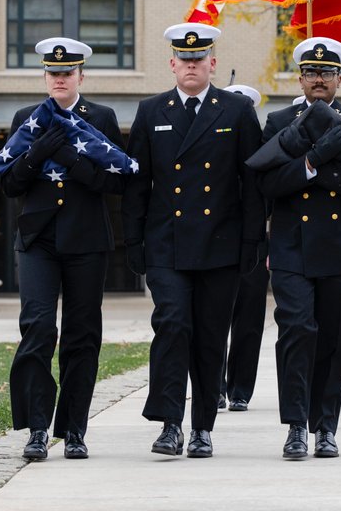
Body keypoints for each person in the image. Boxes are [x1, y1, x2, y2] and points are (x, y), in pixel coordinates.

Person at [122, 24, 266, 458]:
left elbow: (252, 184)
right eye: (183, 60)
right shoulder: (151, 111)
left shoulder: (237, 111)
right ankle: (169, 423)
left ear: (212, 64)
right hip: (167, 243)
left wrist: (252, 244)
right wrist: (133, 241)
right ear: (172, 65)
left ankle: (202, 426)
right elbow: (138, 182)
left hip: (220, 245)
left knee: (208, 335)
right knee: (171, 325)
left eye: (199, 59)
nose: (191, 65)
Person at [1, 37, 126, 461]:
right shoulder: (26, 118)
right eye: (53, 73)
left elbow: (114, 184)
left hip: (87, 240)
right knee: (36, 329)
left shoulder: (102, 118)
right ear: (45, 76)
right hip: (38, 240)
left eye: (67, 73)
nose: (60, 79)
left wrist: (72, 157)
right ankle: (37, 428)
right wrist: (38, 152)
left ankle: (74, 429)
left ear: (80, 76)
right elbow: (10, 185)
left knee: (81, 336)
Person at [255, 37, 341, 460]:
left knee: (336, 339)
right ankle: (294, 427)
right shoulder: (279, 122)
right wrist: (312, 164)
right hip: (292, 247)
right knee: (296, 331)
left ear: (339, 79)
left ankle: (325, 425)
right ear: (301, 79)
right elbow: (267, 185)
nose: (319, 79)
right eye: (311, 73)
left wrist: (310, 166)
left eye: (326, 73)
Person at [219, 84, 269, 413]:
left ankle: (240, 389)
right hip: (219, 241)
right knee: (215, 320)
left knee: (249, 321)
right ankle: (216, 385)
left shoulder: (264, 148)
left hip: (255, 242)